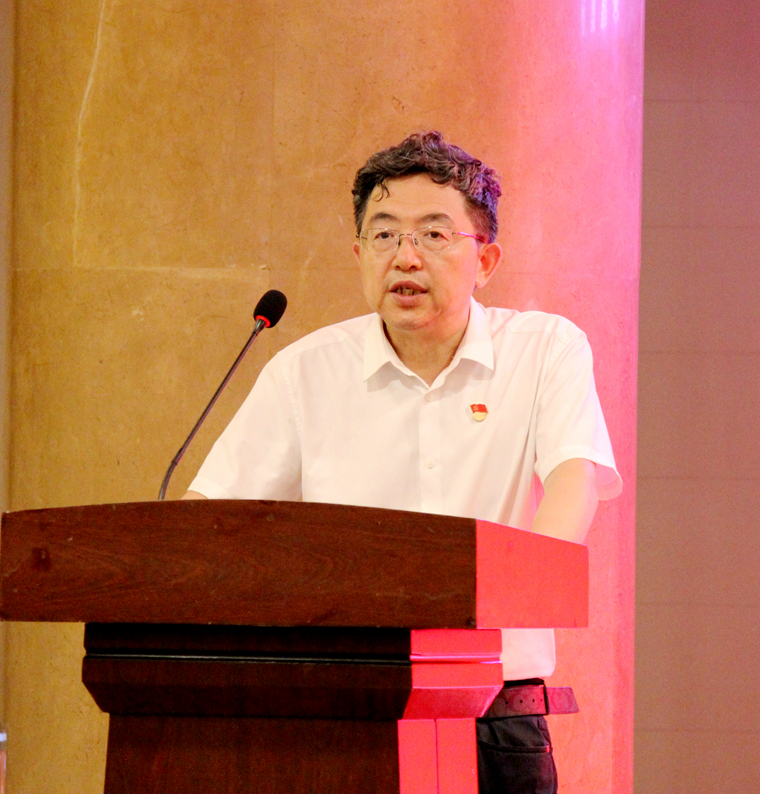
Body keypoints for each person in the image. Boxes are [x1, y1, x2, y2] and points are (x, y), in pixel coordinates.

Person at [183, 130, 622, 793]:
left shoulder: (544, 350)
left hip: (495, 711)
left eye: (434, 235)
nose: (405, 256)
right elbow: (211, 521)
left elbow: (573, 480)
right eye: (385, 235)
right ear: (360, 253)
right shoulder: (304, 372)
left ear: (485, 259)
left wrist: (512, 590)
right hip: (339, 709)